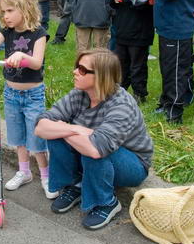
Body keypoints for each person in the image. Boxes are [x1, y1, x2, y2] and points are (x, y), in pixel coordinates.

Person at [34, 48, 153, 230]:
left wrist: (65, 129)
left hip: (132, 164)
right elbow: (41, 127)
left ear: (101, 76)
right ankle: (75, 184)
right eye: (77, 67)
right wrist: (74, 128)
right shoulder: (79, 94)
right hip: (95, 148)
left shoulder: (122, 104)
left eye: (82, 69)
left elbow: (96, 150)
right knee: (57, 138)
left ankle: (107, 202)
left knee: (91, 149)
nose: (75, 71)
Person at [0, 0, 55, 198]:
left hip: (33, 95)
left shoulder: (38, 34)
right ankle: (24, 172)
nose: (5, 16)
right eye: (3, 12)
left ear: (25, 8)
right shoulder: (6, 32)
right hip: (11, 94)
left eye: (10, 11)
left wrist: (22, 55)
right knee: (17, 137)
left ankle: (45, 175)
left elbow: (37, 63)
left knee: (36, 138)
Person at [109, 0, 152, 104]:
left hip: (139, 31)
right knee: (122, 64)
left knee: (138, 65)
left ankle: (140, 93)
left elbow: (145, 2)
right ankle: (121, 91)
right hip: (122, 29)